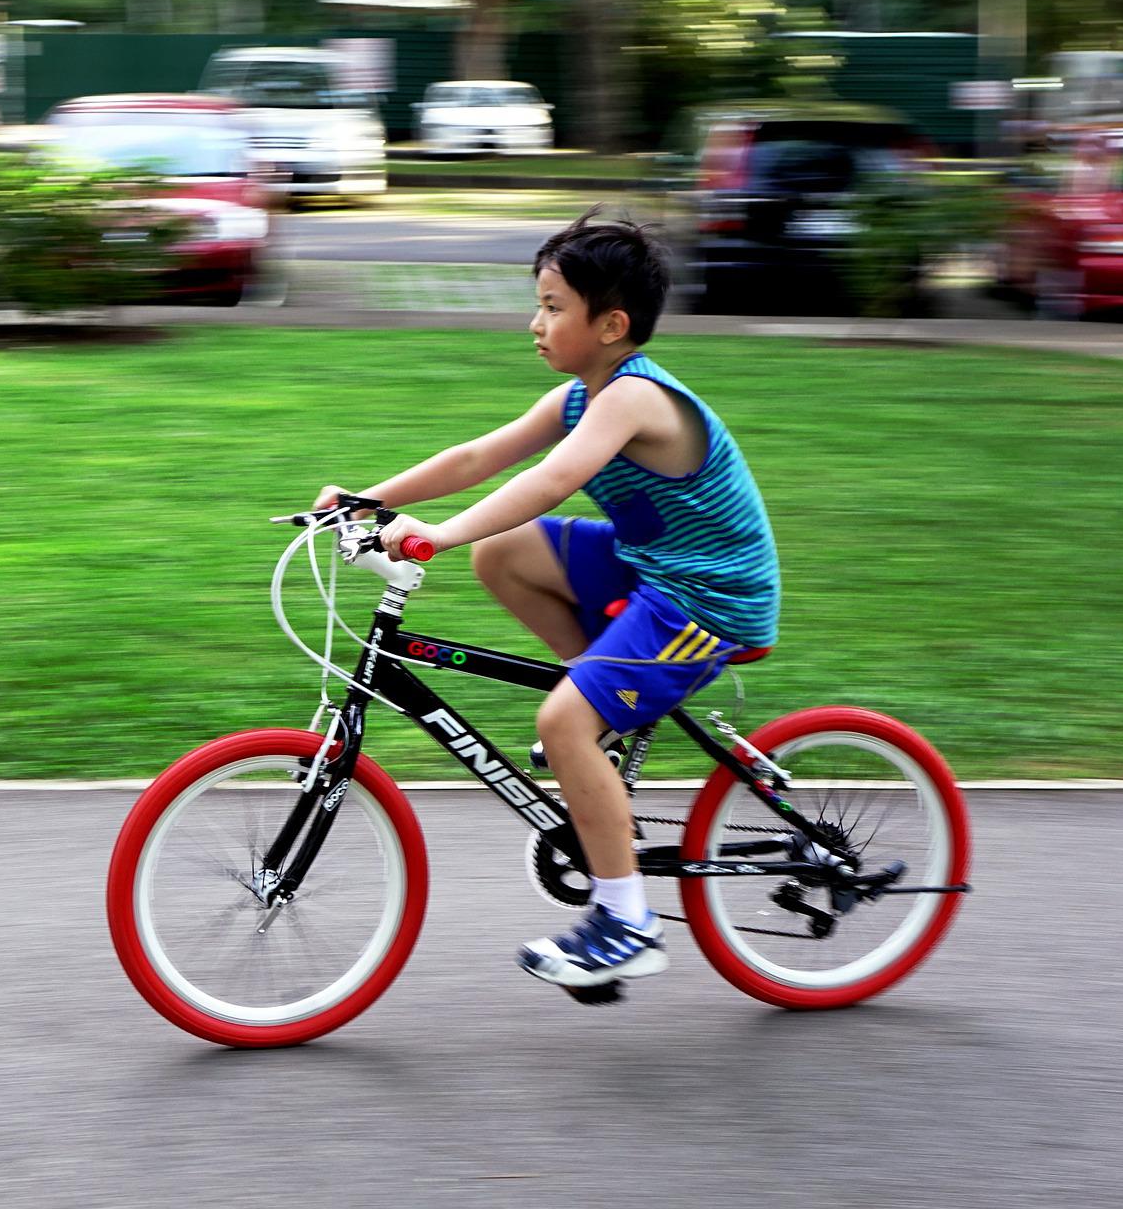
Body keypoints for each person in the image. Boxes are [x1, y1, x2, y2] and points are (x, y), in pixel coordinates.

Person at [314, 209, 779, 994]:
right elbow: (478, 456)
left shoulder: (634, 399)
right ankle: (598, 713)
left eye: (553, 307)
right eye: (539, 304)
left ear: (612, 325)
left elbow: (549, 482)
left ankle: (626, 922)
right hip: (651, 569)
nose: (535, 323)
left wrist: (437, 536)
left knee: (560, 717)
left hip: (710, 599)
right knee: (505, 556)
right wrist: (363, 500)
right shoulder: (578, 396)